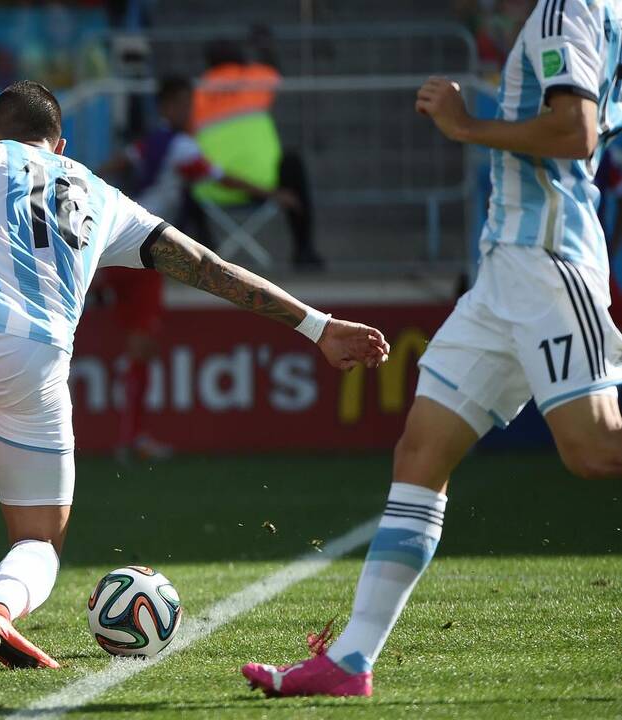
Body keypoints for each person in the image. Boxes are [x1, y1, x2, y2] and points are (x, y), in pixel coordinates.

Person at [0, 80, 390, 671]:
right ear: (61, 145)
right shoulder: (101, 195)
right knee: (40, 537)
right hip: (43, 361)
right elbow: (203, 263)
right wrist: (316, 325)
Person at [243, 0, 622, 697]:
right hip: (502, 275)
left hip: (544, 260)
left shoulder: (564, 10)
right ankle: (350, 659)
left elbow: (575, 131)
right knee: (420, 453)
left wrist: (462, 123)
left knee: (594, 450)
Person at [101, 75, 300, 459]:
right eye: (183, 105)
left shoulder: (151, 143)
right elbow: (222, 177)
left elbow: (119, 162)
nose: (189, 112)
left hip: (114, 246)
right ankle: (134, 439)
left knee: (136, 344)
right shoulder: (179, 146)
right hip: (143, 250)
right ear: (167, 107)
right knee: (142, 344)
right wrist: (273, 193)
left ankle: (131, 435)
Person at [192, 37, 323, 269]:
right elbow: (274, 72)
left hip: (213, 190)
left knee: (184, 170)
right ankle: (304, 250)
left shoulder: (198, 92)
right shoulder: (252, 77)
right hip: (268, 185)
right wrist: (266, 44)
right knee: (293, 162)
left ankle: (202, 253)